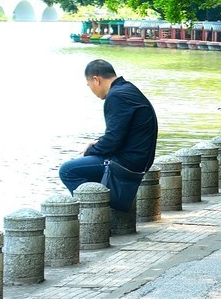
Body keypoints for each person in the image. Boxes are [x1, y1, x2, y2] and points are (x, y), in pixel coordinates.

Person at [59, 60, 158, 210]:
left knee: (67, 170)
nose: (91, 89)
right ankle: (100, 205)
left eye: (89, 85)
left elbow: (113, 140)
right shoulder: (127, 89)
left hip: (128, 161)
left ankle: (94, 212)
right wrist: (98, 143)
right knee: (88, 163)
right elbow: (120, 132)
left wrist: (89, 151)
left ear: (96, 80)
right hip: (140, 158)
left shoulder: (116, 96)